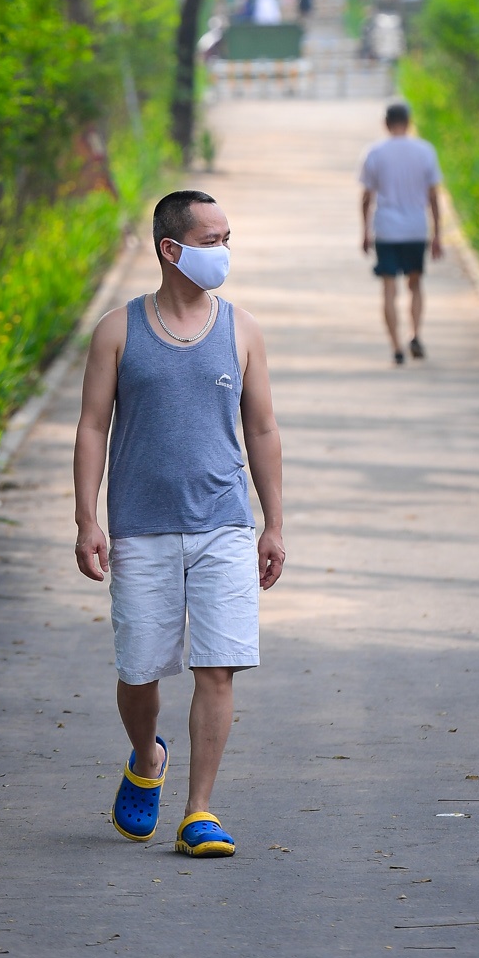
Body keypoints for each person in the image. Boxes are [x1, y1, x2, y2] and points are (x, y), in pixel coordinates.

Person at [73, 190, 284, 859]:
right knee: (139, 672)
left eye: (227, 238)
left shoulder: (242, 330)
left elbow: (263, 429)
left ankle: (199, 812)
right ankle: (146, 756)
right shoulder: (117, 330)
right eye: (212, 239)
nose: (224, 251)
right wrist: (86, 519)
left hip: (223, 524)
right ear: (172, 249)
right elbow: (91, 428)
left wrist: (273, 524)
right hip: (139, 528)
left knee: (217, 667)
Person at [359, 101, 443, 365]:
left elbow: (366, 197)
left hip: (386, 228)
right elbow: (433, 197)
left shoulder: (375, 152)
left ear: (386, 123)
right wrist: (437, 233)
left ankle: (396, 346)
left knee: (389, 288)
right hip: (416, 228)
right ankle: (415, 334)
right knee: (415, 284)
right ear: (408, 122)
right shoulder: (425, 151)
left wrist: (365, 231)